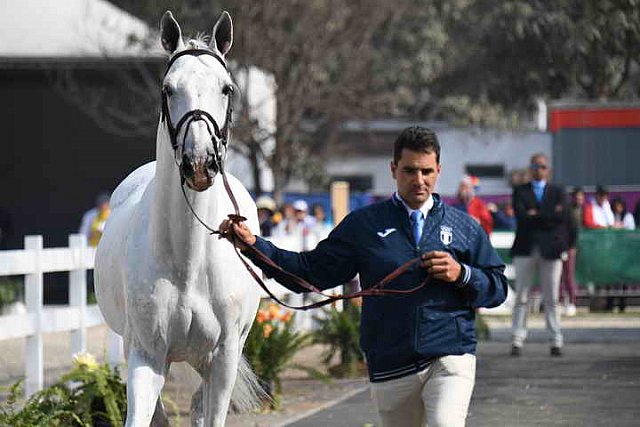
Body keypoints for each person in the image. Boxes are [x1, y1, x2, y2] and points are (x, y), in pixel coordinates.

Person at [220, 126, 508, 427]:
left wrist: (462, 274)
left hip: (451, 355)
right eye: (410, 171)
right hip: (391, 363)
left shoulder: (464, 227)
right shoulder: (365, 225)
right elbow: (308, 273)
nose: (419, 180)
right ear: (393, 169)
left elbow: (497, 288)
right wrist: (254, 246)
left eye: (426, 171)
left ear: (438, 170)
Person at [510, 153, 568, 357]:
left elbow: (561, 217)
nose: (538, 170)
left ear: (548, 170)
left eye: (542, 166)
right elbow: (521, 216)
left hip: (550, 249)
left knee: (551, 297)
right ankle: (517, 338)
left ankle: (555, 338)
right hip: (526, 248)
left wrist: (537, 214)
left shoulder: (557, 191)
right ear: (530, 168)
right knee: (522, 296)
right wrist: (546, 214)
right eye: (535, 166)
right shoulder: (520, 190)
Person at [560, 187, 584, 317]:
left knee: (568, 275)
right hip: (562, 247)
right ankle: (561, 301)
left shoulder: (574, 211)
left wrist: (571, 247)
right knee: (561, 275)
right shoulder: (566, 210)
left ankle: (571, 302)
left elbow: (574, 230)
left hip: (569, 247)